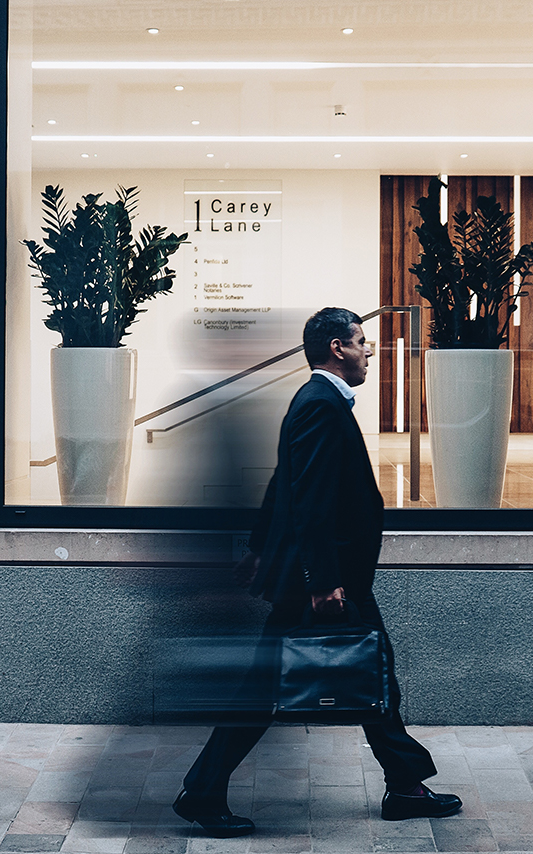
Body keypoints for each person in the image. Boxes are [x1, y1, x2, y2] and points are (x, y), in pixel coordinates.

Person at [173, 307, 462, 838]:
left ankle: (404, 784)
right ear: (337, 348)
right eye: (361, 342)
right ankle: (204, 791)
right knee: (279, 688)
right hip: (325, 582)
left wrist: (261, 546)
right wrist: (322, 581)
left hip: (322, 577)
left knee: (373, 673)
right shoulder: (320, 405)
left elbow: (284, 479)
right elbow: (307, 498)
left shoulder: (318, 402)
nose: (369, 350)